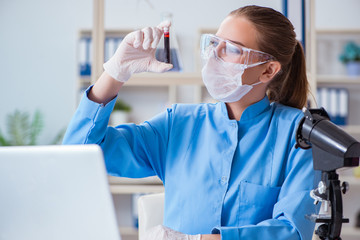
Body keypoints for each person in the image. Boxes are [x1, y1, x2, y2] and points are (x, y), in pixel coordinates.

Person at [63, 5, 320, 240]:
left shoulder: (299, 133)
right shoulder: (179, 123)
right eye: (214, 43)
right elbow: (80, 154)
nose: (214, 55)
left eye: (231, 49)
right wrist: (114, 73)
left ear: (268, 70)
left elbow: (292, 231)